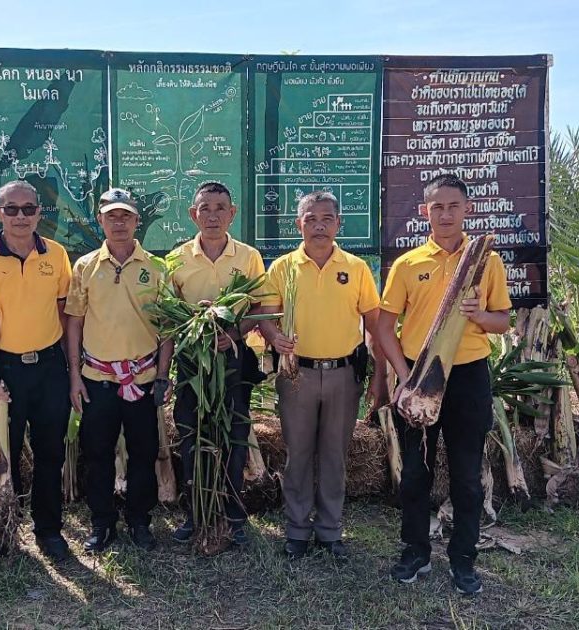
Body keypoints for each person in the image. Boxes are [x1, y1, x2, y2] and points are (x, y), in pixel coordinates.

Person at [376, 174, 512, 595]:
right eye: (437, 207)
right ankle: (415, 552)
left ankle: (463, 559)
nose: (446, 214)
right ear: (425, 212)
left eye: (454, 206)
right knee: (415, 472)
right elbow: (384, 328)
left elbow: (502, 321)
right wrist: (405, 379)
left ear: (468, 209)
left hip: (468, 375)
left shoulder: (485, 261)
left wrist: (477, 315)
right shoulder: (408, 264)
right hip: (419, 373)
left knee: (467, 475)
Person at [259, 191, 384, 560]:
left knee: (334, 455)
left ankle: (330, 530)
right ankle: (297, 530)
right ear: (298, 224)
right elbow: (265, 317)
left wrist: (380, 374)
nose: (319, 226)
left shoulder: (356, 268)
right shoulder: (282, 267)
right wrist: (275, 337)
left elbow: (374, 324)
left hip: (344, 375)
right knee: (297, 454)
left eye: (327, 218)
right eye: (311, 219)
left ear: (338, 223)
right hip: (297, 374)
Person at [0, 180, 74, 562]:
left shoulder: (56, 255)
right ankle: (0, 529)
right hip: (4, 367)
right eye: (11, 209)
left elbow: (64, 315)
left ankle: (49, 530)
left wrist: (71, 371)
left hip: (49, 367)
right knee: (2, 450)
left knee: (50, 451)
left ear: (39, 214)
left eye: (28, 208)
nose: (20, 216)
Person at [65, 188, 172, 553]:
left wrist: (162, 374)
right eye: (112, 216)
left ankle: (140, 520)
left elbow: (167, 327)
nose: (119, 222)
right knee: (97, 454)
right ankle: (102, 522)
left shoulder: (156, 268)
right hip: (98, 380)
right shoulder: (85, 267)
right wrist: (75, 375)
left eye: (126, 215)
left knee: (143, 453)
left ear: (137, 220)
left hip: (142, 379)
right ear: (101, 221)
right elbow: (74, 322)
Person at [166, 181, 265, 548]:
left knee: (234, 436)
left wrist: (234, 333)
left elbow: (260, 305)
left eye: (220, 208)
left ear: (232, 213)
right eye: (205, 209)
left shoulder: (248, 257)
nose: (212, 215)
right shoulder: (176, 259)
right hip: (192, 361)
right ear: (193, 214)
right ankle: (195, 514)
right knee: (192, 435)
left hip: (233, 359)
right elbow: (168, 313)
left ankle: (234, 517)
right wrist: (194, 328)